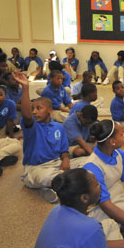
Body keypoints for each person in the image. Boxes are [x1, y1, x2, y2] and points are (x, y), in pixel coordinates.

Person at [34, 168, 124, 248]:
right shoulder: (90, 227)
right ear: (85, 198)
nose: (100, 187)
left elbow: (94, 242)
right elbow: (90, 235)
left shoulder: (56, 210)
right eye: (97, 186)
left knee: (110, 224)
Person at [12, 72, 81, 203]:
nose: (34, 112)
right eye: (33, 109)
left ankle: (51, 189)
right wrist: (25, 88)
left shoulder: (58, 127)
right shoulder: (31, 126)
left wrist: (65, 160)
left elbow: (64, 151)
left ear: (50, 111)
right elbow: (26, 115)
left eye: (39, 108)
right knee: (50, 178)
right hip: (36, 168)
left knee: (88, 164)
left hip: (56, 164)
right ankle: (54, 186)